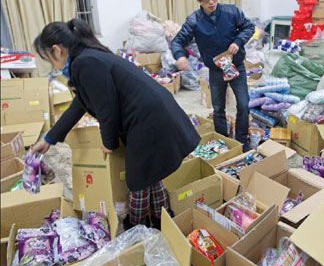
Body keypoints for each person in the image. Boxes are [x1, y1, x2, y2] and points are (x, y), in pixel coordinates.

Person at [32, 18, 200, 230]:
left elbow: (106, 109)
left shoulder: (84, 63)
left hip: (146, 119)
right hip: (152, 113)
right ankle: (162, 218)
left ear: (56, 50)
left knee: (137, 181)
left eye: (49, 58)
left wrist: (108, 143)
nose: (53, 65)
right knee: (151, 173)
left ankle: (137, 228)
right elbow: (81, 103)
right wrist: (50, 138)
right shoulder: (89, 56)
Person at [171, 0, 255, 151]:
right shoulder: (194, 20)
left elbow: (249, 27)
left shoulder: (231, 12)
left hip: (236, 66)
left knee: (243, 104)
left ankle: (242, 141)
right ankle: (222, 141)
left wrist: (238, 41)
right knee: (218, 108)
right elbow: (177, 41)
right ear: (197, 0)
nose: (211, 2)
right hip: (216, 70)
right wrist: (180, 56)